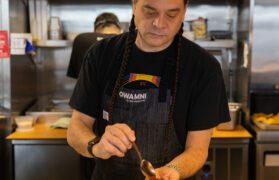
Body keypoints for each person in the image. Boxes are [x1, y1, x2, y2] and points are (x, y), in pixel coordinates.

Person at [67, 0, 230, 179]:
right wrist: (96, 146)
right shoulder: (100, 55)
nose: (159, 24)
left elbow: (197, 149)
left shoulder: (203, 67)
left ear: (183, 13)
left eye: (171, 15)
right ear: (134, 5)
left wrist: (172, 171)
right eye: (150, 12)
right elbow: (76, 127)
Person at [66, 12, 123, 79]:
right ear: (119, 29)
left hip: (86, 89)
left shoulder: (81, 39)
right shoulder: (126, 40)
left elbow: (77, 76)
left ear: (94, 30)